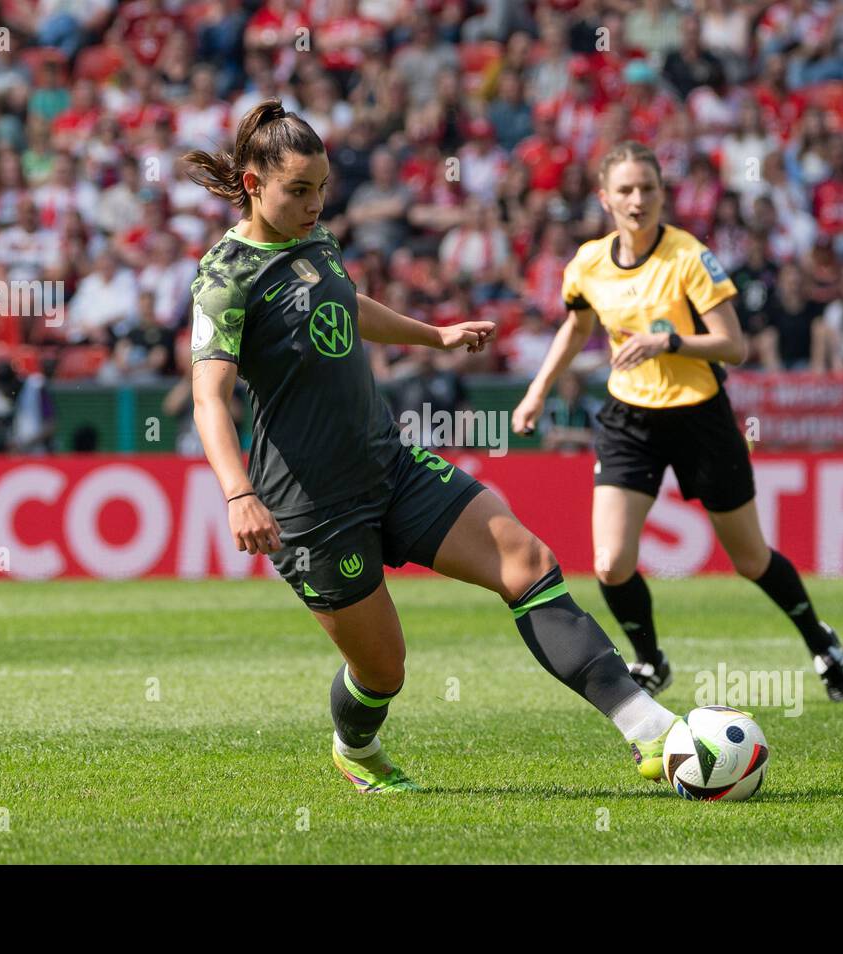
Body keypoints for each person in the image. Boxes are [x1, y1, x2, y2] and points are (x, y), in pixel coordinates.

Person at [183, 100, 684, 793]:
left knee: (527, 561)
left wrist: (433, 335)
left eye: (322, 187)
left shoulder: (317, 241)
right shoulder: (224, 276)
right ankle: (356, 751)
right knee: (384, 671)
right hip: (312, 506)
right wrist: (239, 493)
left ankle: (651, 730)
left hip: (387, 464)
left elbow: (345, 308)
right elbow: (210, 398)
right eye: (298, 190)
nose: (314, 203)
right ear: (251, 183)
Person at [512, 140, 843, 703]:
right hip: (629, 418)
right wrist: (536, 392)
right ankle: (650, 660)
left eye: (648, 188)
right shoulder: (589, 264)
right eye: (625, 189)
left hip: (700, 416)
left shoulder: (689, 257)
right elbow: (576, 328)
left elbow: (735, 345)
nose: (638, 199)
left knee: (749, 559)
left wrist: (665, 341)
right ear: (605, 198)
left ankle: (820, 639)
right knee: (609, 563)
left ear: (661, 194)